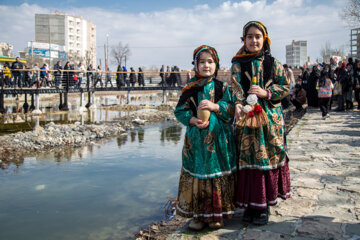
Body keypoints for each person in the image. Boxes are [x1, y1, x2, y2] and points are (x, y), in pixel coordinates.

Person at [231, 21, 291, 225]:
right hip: (247, 119)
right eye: (249, 37)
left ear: (264, 39)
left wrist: (267, 93)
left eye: (258, 36)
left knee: (266, 158)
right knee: (248, 158)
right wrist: (238, 104)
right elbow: (235, 88)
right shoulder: (238, 64)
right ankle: (249, 205)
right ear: (244, 39)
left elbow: (285, 87)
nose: (254, 40)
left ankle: (263, 205)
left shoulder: (273, 63)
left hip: (269, 121)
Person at [174, 45, 236, 230]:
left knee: (216, 175)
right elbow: (179, 110)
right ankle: (199, 216)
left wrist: (215, 107)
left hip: (218, 141)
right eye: (201, 62)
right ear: (195, 65)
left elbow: (231, 110)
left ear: (216, 65)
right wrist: (192, 119)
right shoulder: (190, 88)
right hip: (197, 141)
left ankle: (217, 215)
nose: (206, 65)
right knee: (198, 175)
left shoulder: (222, 87)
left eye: (210, 61)